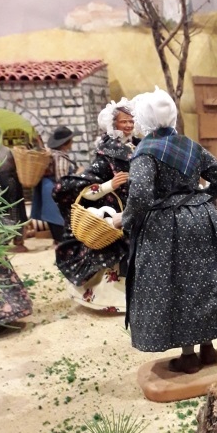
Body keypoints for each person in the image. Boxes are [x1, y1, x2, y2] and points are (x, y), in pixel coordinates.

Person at [119, 87, 217, 373]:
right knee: (206, 281)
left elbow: (141, 194)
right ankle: (208, 347)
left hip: (165, 226)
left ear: (145, 118)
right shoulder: (190, 146)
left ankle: (188, 356)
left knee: (178, 285)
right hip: (203, 219)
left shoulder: (145, 151)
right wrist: (200, 199)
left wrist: (126, 220)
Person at [51, 98, 138, 312]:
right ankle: (114, 299)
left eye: (131, 121)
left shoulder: (137, 145)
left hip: (136, 206)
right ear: (113, 124)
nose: (128, 125)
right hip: (116, 211)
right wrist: (109, 185)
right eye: (124, 121)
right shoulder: (106, 154)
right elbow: (85, 188)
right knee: (117, 252)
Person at [30, 126, 78, 245]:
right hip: (54, 189)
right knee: (58, 217)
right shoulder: (61, 157)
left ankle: (57, 241)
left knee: (52, 217)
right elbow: (62, 179)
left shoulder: (51, 154)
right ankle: (61, 243)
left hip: (46, 188)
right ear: (66, 143)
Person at [0, 130, 29, 252]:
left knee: (6, 212)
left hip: (3, 184)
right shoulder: (8, 150)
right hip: (12, 182)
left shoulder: (4, 150)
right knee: (15, 210)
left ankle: (9, 242)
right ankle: (17, 241)